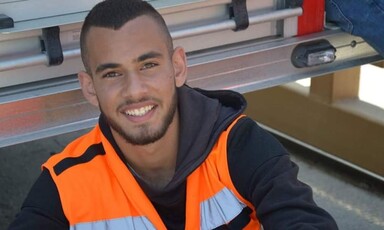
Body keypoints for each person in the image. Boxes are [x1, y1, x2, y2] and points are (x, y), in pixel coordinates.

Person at [8, 0, 338, 229]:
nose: (134, 89)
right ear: (90, 87)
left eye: (148, 65)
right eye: (112, 74)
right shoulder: (66, 181)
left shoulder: (237, 145)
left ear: (177, 67)